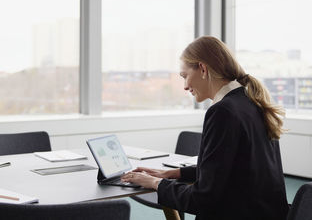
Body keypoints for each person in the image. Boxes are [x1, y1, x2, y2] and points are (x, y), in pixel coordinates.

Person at [121, 36, 289, 220]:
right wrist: (174, 173)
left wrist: (155, 183)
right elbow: (233, 169)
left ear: (202, 68)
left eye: (185, 76)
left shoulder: (223, 111)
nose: (185, 86)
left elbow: (202, 199)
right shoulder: (252, 102)